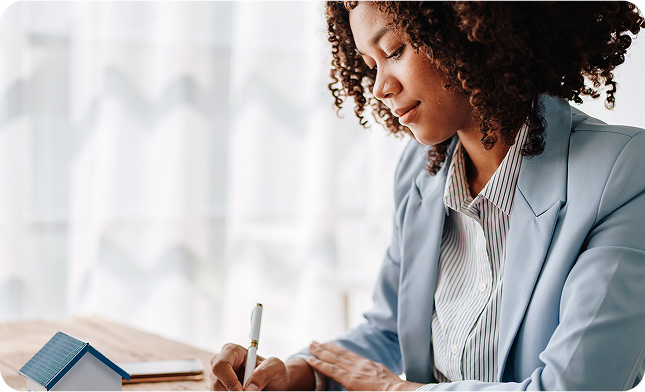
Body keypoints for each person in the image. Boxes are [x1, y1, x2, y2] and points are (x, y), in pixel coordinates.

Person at [211, 1, 645, 391]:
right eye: (369, 62)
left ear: (467, 32)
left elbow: (575, 386)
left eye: (395, 51)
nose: (380, 87)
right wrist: (294, 376)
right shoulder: (420, 171)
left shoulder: (622, 173)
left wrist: (396, 391)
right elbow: (387, 330)